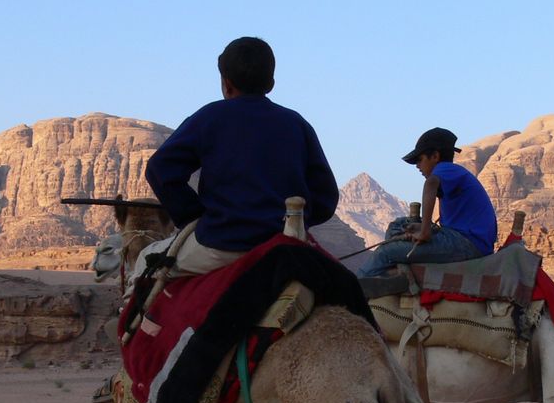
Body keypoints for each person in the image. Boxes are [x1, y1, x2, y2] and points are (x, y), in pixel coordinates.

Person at [141, 36, 340, 275]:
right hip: (287, 244)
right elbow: (326, 196)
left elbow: (160, 169)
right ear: (271, 83)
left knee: (144, 262)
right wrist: (298, 221)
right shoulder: (297, 124)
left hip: (221, 244)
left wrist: (196, 217)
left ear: (226, 83)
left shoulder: (209, 117)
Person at [359, 127, 498, 277]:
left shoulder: (446, 169)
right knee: (399, 226)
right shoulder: (455, 174)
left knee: (384, 253)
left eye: (419, 160)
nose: (417, 166)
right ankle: (400, 262)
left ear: (435, 156)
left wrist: (425, 231)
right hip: (462, 238)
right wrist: (423, 226)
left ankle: (355, 292)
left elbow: (431, 184)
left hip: (468, 244)